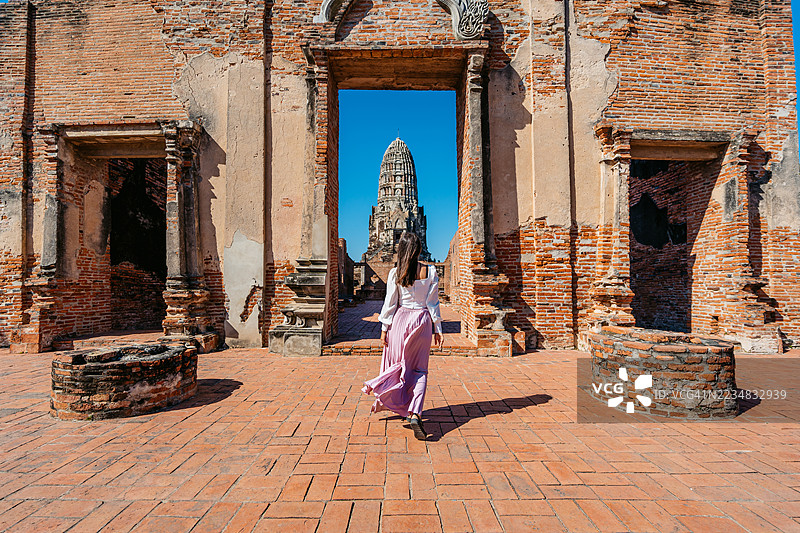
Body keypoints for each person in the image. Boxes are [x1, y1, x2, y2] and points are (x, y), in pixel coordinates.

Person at [361, 231, 444, 440]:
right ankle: (415, 412)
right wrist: (438, 328)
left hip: (400, 320)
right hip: (422, 321)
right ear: (418, 249)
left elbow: (390, 303)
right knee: (420, 370)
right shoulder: (431, 271)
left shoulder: (395, 273)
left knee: (397, 365)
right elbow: (433, 303)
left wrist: (383, 329)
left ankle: (393, 399)